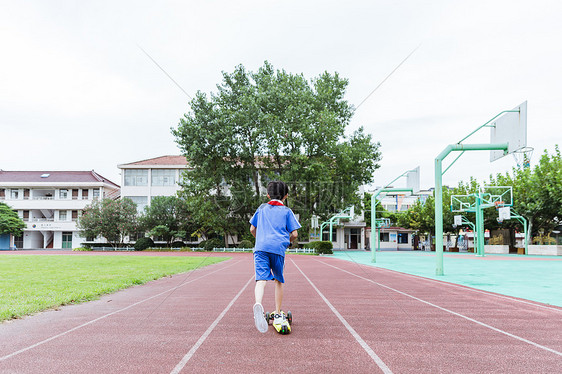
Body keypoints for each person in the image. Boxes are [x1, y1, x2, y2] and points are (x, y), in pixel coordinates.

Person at [249, 181, 301, 333]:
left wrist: (260, 239)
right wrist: (286, 242)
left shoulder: (261, 208)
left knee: (261, 279)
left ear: (267, 194)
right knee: (278, 279)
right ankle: (278, 313)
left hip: (261, 248)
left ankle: (258, 303)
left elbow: (252, 228)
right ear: (285, 196)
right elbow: (295, 234)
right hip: (278, 249)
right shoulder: (287, 211)